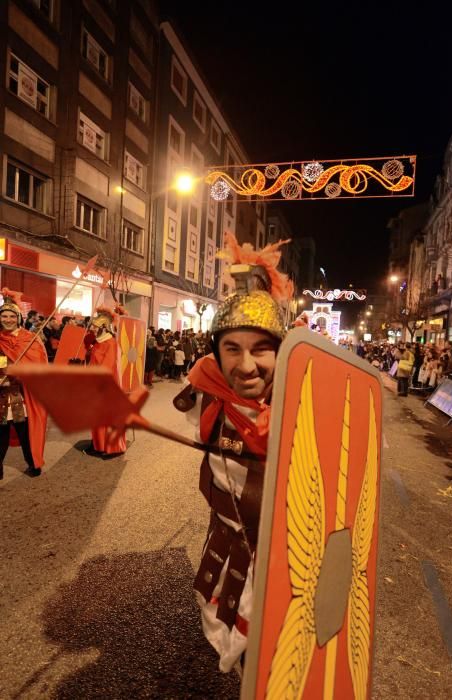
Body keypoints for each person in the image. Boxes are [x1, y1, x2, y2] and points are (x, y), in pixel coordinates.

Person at [173, 233, 293, 673]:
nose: (246, 366)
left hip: (290, 565)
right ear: (216, 355)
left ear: (283, 353)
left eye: (262, 349)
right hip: (229, 554)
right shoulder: (207, 397)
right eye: (232, 349)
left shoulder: (312, 405)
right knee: (243, 662)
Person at [0, 289, 48, 478]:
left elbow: (37, 365)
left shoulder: (29, 339)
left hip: (23, 394)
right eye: (4, 315)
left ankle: (33, 464)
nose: (8, 319)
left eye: (12, 316)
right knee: (1, 433)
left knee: (25, 432)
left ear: (18, 318)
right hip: (1, 393)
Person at [83, 306, 126, 458]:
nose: (92, 329)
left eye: (95, 327)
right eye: (92, 326)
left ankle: (113, 448)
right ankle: (99, 445)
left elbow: (106, 369)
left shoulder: (111, 344)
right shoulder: (99, 342)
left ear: (104, 327)